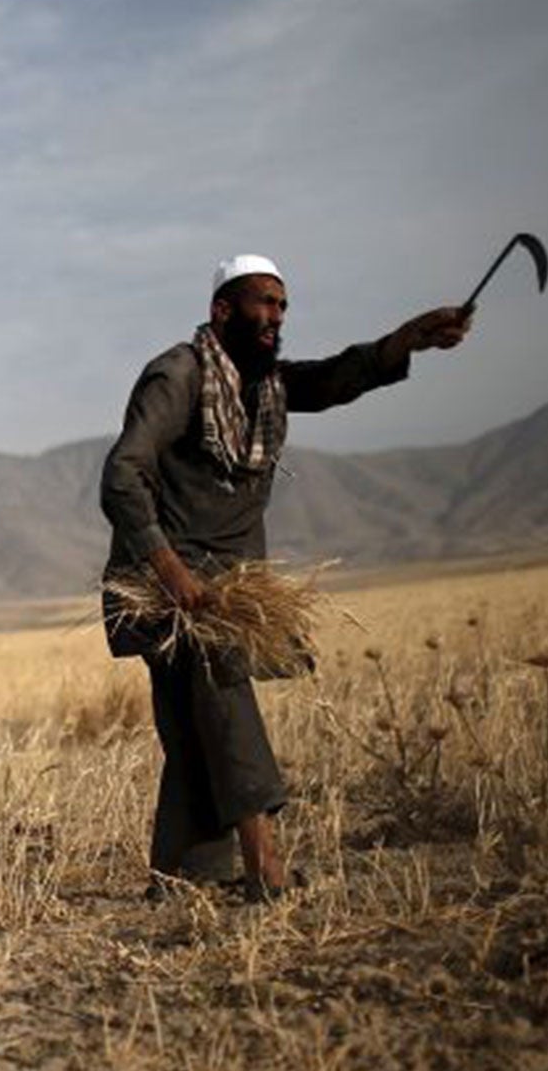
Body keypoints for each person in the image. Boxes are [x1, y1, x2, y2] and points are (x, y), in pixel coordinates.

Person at [100, 255, 471, 898]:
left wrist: (408, 338)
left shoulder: (267, 383)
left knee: (192, 723)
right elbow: (122, 474)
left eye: (283, 307)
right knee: (221, 693)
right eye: (264, 304)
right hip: (166, 580)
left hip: (231, 578)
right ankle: (264, 864)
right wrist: (173, 572)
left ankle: (182, 875)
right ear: (222, 310)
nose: (276, 317)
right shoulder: (179, 375)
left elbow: (333, 378)